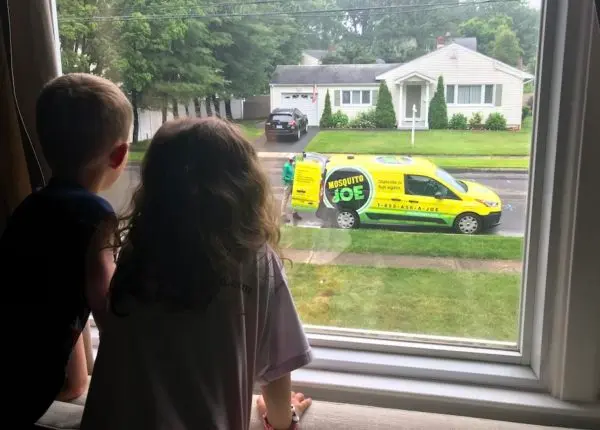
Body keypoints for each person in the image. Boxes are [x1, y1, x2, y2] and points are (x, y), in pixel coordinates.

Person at [81, 117, 313, 430]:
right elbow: (277, 371)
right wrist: (284, 418)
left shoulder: (139, 250)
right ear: (246, 186)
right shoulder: (255, 261)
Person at [0, 73, 132, 425]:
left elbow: (50, 294)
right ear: (119, 155)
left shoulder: (29, 207)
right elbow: (107, 308)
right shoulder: (96, 216)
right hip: (26, 385)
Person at [281, 154, 301, 222]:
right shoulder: (286, 166)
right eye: (292, 159)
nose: (293, 160)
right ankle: (282, 214)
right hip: (288, 184)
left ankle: (294, 212)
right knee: (285, 199)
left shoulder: (293, 165)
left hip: (293, 184)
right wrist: (290, 179)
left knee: (295, 198)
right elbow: (283, 177)